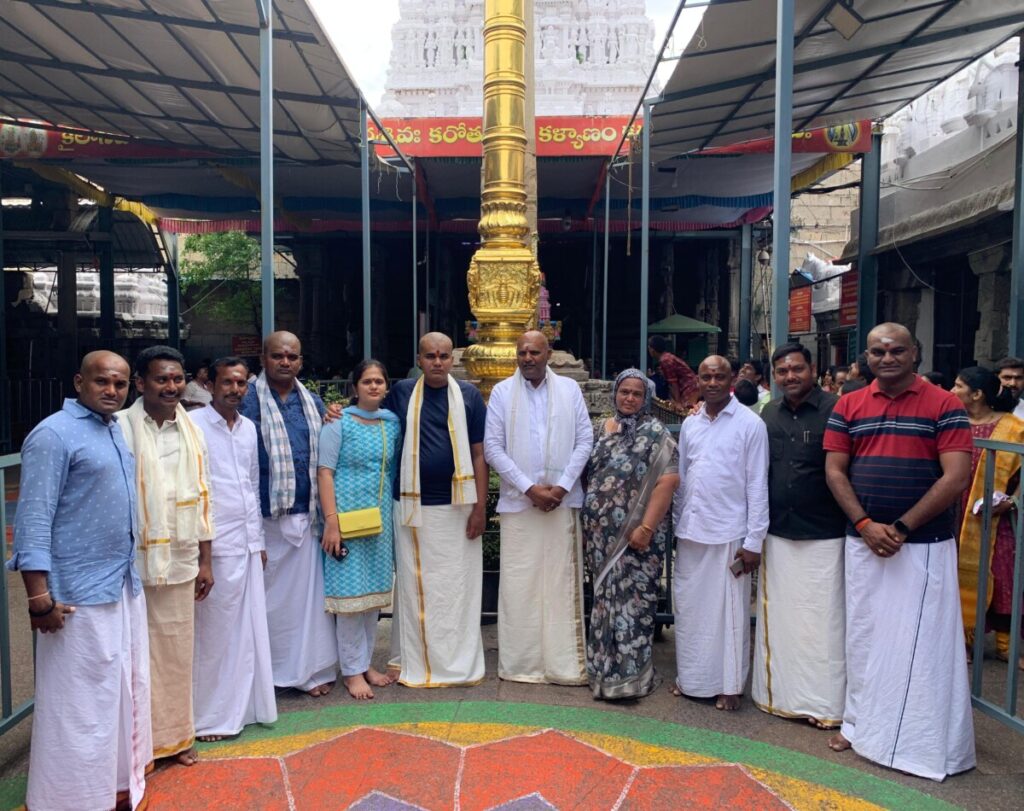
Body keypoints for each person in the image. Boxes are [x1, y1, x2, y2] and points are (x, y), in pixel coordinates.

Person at [824, 322, 974, 781]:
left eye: (896, 350)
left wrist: (904, 527)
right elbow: (835, 471)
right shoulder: (848, 404)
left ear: (915, 354)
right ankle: (860, 724)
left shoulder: (944, 404)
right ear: (867, 357)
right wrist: (866, 525)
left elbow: (956, 476)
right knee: (865, 636)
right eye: (877, 351)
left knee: (922, 641)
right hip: (864, 540)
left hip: (923, 543)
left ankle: (916, 739)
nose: (886, 358)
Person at [9, 351, 151, 811]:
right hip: (75, 597)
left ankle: (111, 789)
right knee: (78, 709)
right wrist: (39, 599)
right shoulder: (52, 435)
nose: (112, 391)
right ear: (78, 382)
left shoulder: (111, 430)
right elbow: (33, 520)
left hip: (120, 586)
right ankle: (66, 801)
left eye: (121, 384)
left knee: (115, 697)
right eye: (102, 382)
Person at [119, 345, 214, 767]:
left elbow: (206, 497)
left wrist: (206, 561)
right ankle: (139, 747)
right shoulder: (120, 428)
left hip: (179, 558)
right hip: (131, 562)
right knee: (134, 654)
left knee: (176, 653)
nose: (172, 386)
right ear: (140, 384)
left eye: (177, 379)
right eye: (162, 379)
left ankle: (175, 739)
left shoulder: (192, 430)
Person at [484, 331, 593, 685]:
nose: (527, 357)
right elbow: (493, 448)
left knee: (560, 583)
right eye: (522, 352)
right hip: (521, 505)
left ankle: (562, 664)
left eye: (534, 351)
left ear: (549, 354)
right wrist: (530, 489)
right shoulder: (502, 392)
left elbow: (585, 439)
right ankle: (521, 664)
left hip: (561, 503)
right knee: (520, 585)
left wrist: (561, 487)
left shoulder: (569, 390)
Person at [383, 332, 488, 687]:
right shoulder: (401, 393)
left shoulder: (470, 396)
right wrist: (334, 412)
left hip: (458, 508)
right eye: (430, 356)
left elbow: (478, 453)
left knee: (456, 588)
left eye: (444, 356)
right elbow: (368, 413)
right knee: (414, 588)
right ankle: (412, 657)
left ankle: (456, 661)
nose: (438, 362)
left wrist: (480, 507)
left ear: (453, 360)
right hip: (413, 508)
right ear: (419, 358)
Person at [752, 343, 847, 730]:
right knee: (783, 621)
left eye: (797, 369)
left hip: (824, 532)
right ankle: (781, 697)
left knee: (824, 623)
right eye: (782, 371)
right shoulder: (768, 414)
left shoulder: (836, 410)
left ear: (813, 368)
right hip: (779, 532)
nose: (789, 377)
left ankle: (826, 704)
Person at [239, 331, 339, 696]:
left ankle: (305, 673)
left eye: (292, 357)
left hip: (305, 517)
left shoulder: (312, 402)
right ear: (263, 358)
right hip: (263, 519)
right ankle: (263, 677)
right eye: (278, 356)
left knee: (304, 605)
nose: (285, 362)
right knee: (264, 604)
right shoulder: (245, 401)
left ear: (300, 361)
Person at [672, 355, 769, 710]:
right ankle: (691, 679)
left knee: (729, 615)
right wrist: (678, 524)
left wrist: (754, 541)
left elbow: (758, 485)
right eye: (706, 376)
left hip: (730, 533)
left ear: (732, 379)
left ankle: (729, 686)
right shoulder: (691, 424)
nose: (712, 382)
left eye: (719, 376)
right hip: (691, 531)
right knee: (690, 610)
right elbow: (682, 477)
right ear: (697, 380)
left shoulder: (749, 424)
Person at [190, 357, 277, 741]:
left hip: (245, 542)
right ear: (210, 384)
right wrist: (201, 556)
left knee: (247, 632)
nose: (235, 390)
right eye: (227, 382)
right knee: (213, 635)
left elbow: (251, 485)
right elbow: (194, 490)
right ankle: (208, 716)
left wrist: (257, 540)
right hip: (214, 544)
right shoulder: (192, 426)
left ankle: (245, 708)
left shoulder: (248, 428)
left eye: (241, 383)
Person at [582, 369, 679, 699]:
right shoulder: (600, 429)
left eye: (637, 393)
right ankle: (601, 675)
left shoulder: (657, 433)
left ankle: (632, 680)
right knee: (603, 604)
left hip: (637, 539)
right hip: (600, 538)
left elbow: (668, 481)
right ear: (615, 393)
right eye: (624, 391)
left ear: (646, 398)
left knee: (633, 607)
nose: (629, 398)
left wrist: (646, 527)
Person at [318, 359, 402, 699]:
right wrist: (331, 522)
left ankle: (365, 663)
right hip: (345, 521)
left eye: (379, 381)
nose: (374, 386)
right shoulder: (337, 423)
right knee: (350, 600)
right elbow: (325, 471)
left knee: (372, 600)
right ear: (355, 387)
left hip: (379, 522)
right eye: (367, 381)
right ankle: (351, 671)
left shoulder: (392, 422)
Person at [953, 367, 1024, 670]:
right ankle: (964, 642)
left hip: (997, 517)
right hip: (955, 511)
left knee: (1003, 575)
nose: (951, 391)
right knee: (958, 574)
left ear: (977, 394)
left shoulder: (1012, 427)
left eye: (957, 386)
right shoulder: (952, 423)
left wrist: (1012, 501)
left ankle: (1008, 645)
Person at [647, 335, 698, 409]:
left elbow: (673, 383)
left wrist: (677, 402)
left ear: (652, 349)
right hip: (689, 386)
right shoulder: (667, 357)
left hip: (689, 387)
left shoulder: (665, 360)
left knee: (686, 411)